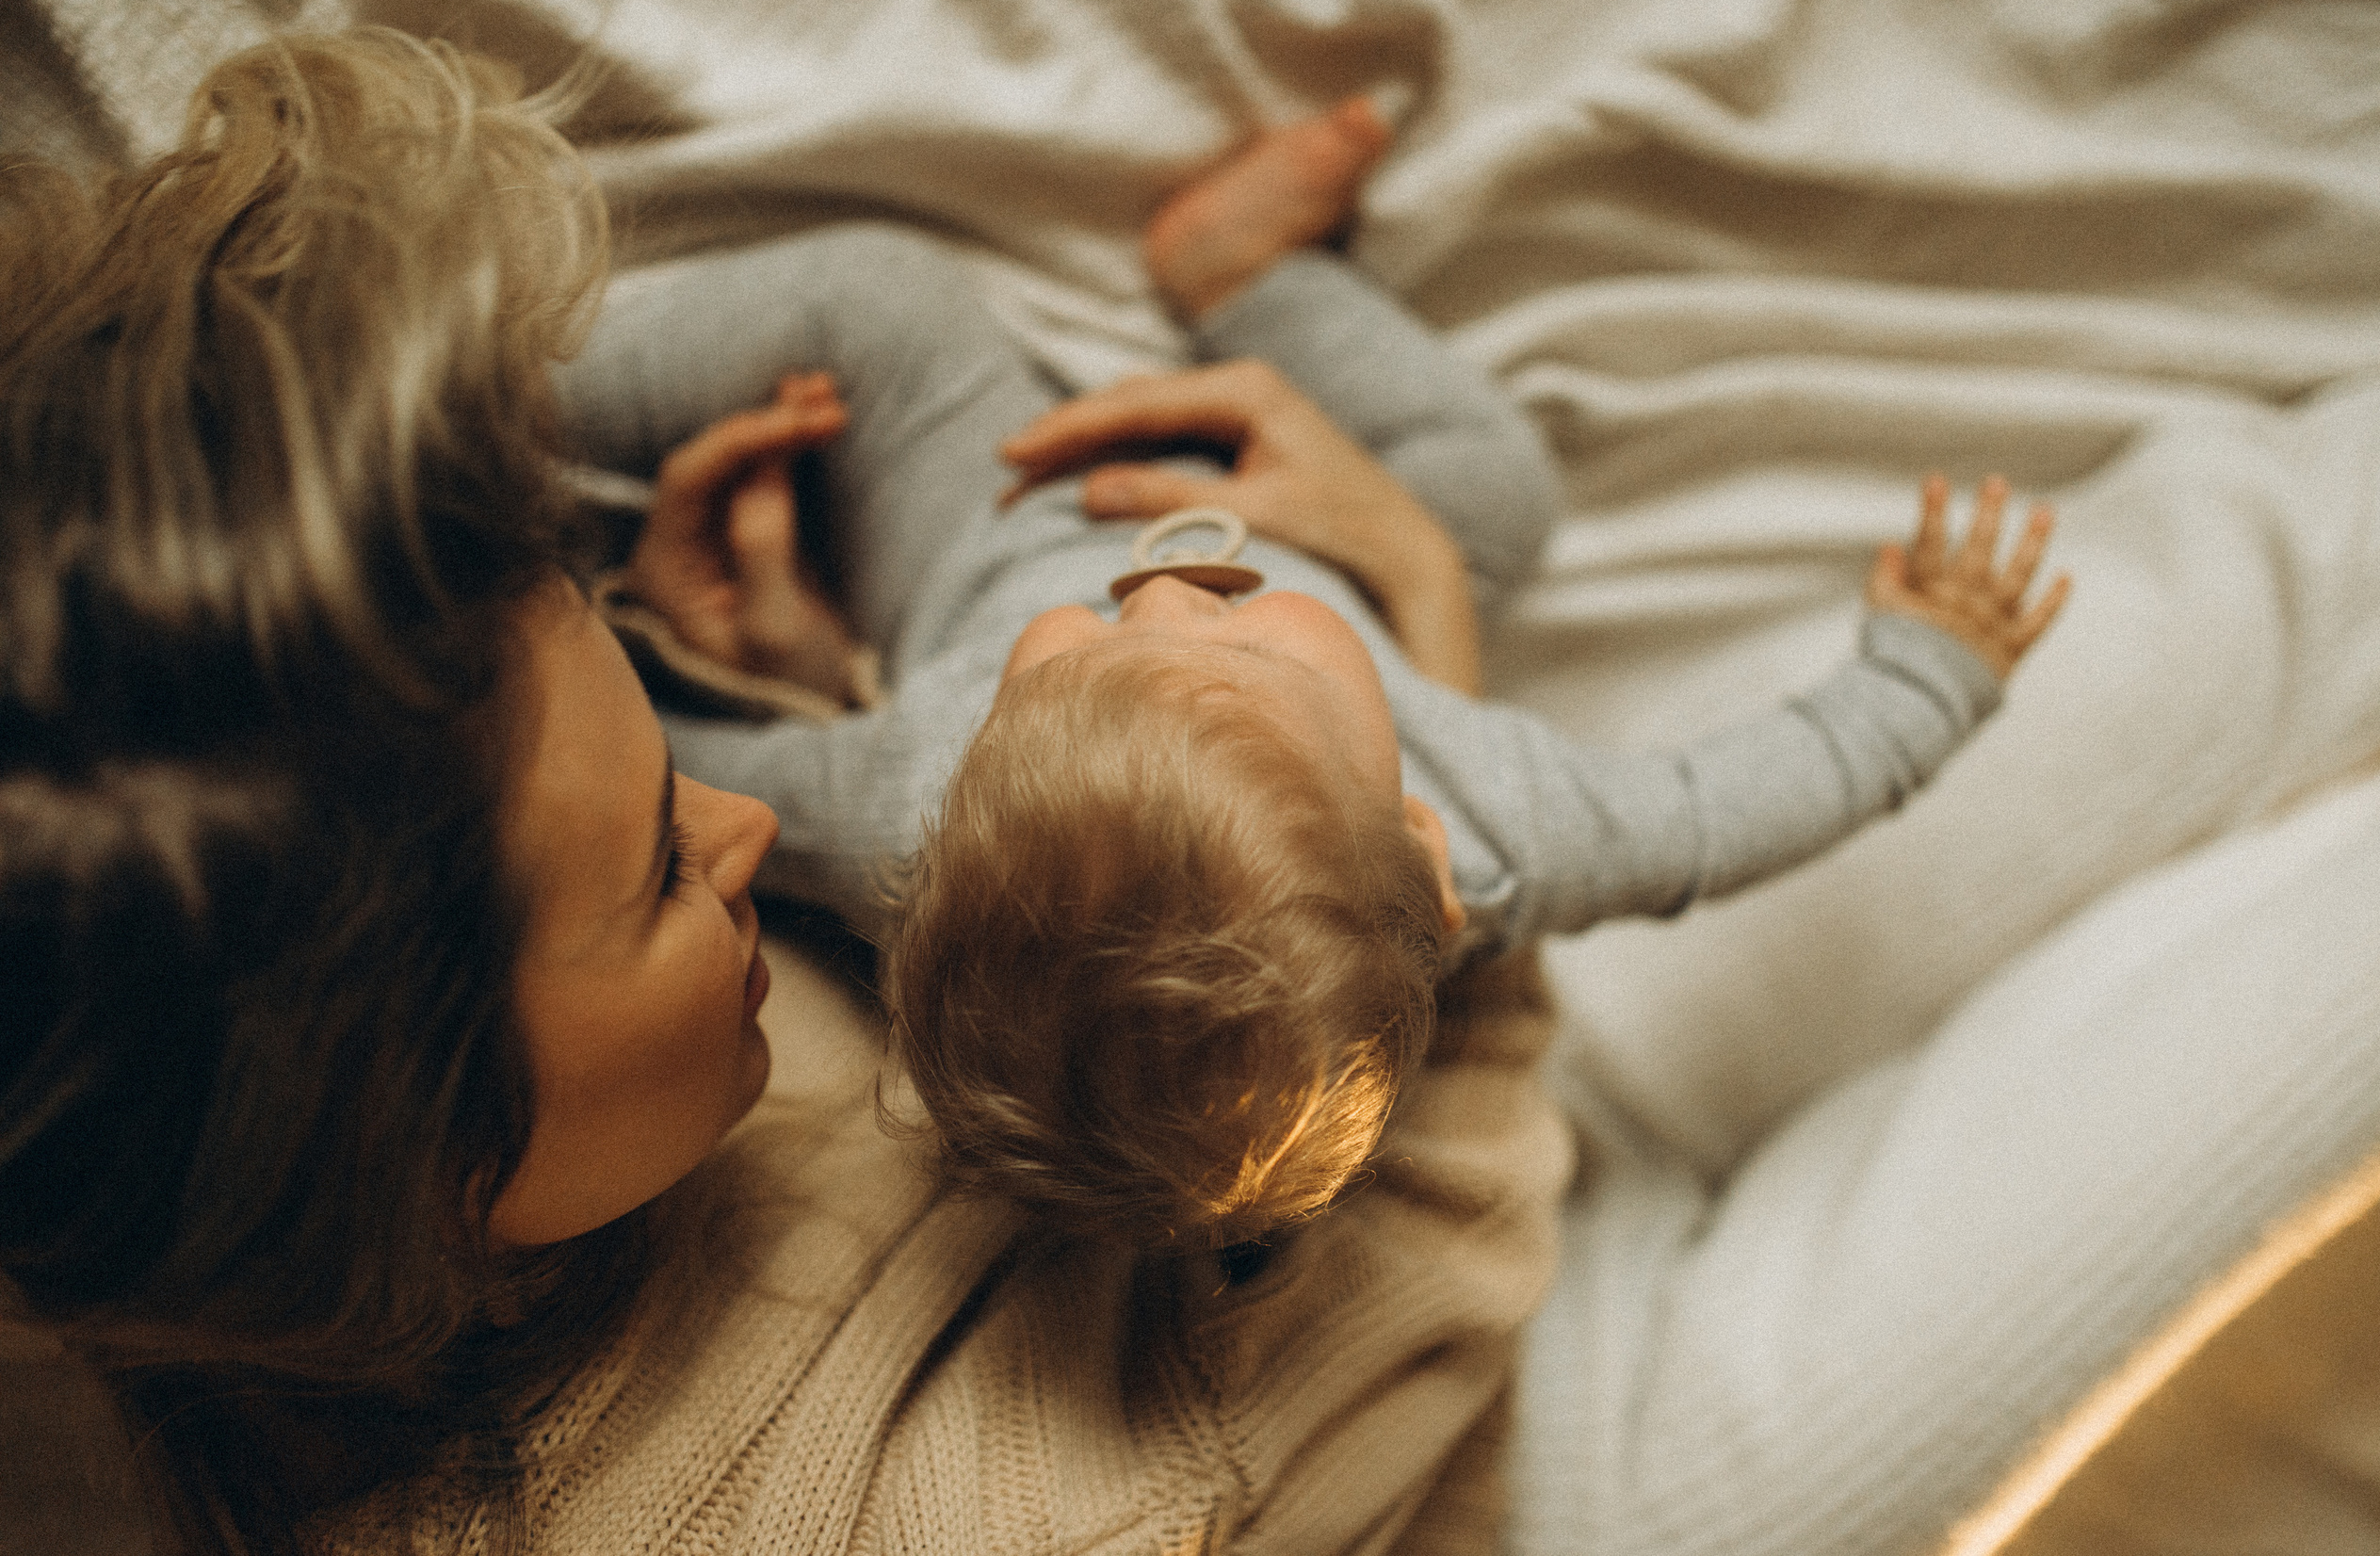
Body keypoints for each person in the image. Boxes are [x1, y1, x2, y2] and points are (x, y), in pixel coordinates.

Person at [0, 28, 1566, 1556]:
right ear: (431, 1175)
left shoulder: (186, 1153)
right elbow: (1433, 1269)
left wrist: (769, 680)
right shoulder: (1048, 1509)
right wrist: (1417, 652)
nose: (745, 820)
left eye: (668, 752)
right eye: (661, 871)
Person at [598, 103, 2066, 1250]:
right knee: (1498, 492)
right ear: (1428, 857)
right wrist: (1931, 673)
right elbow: (1730, 805)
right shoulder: (1507, 827)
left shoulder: (913, 817)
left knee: (881, 300)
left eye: (1079, 669)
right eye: (1236, 649)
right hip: (1354, 545)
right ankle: (1249, 280)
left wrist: (694, 662)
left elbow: (676, 781)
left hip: (997, 516)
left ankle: (495, 393)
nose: (1165, 588)